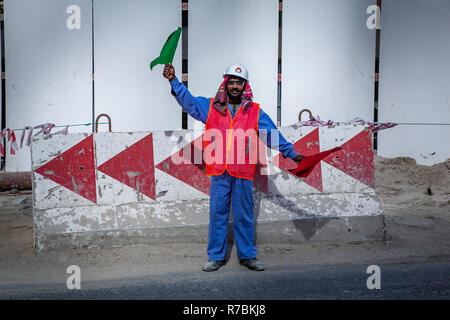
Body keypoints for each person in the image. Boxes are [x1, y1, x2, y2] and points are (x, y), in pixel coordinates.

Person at [163, 63, 304, 272]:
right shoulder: (211, 107)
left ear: (245, 85)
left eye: (239, 82)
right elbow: (189, 102)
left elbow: (272, 135)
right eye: (232, 82)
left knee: (244, 214)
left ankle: (247, 256)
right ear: (225, 84)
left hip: (243, 171)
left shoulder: (254, 111)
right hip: (219, 172)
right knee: (217, 214)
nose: (235, 86)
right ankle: (215, 256)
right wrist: (174, 81)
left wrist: (292, 153)